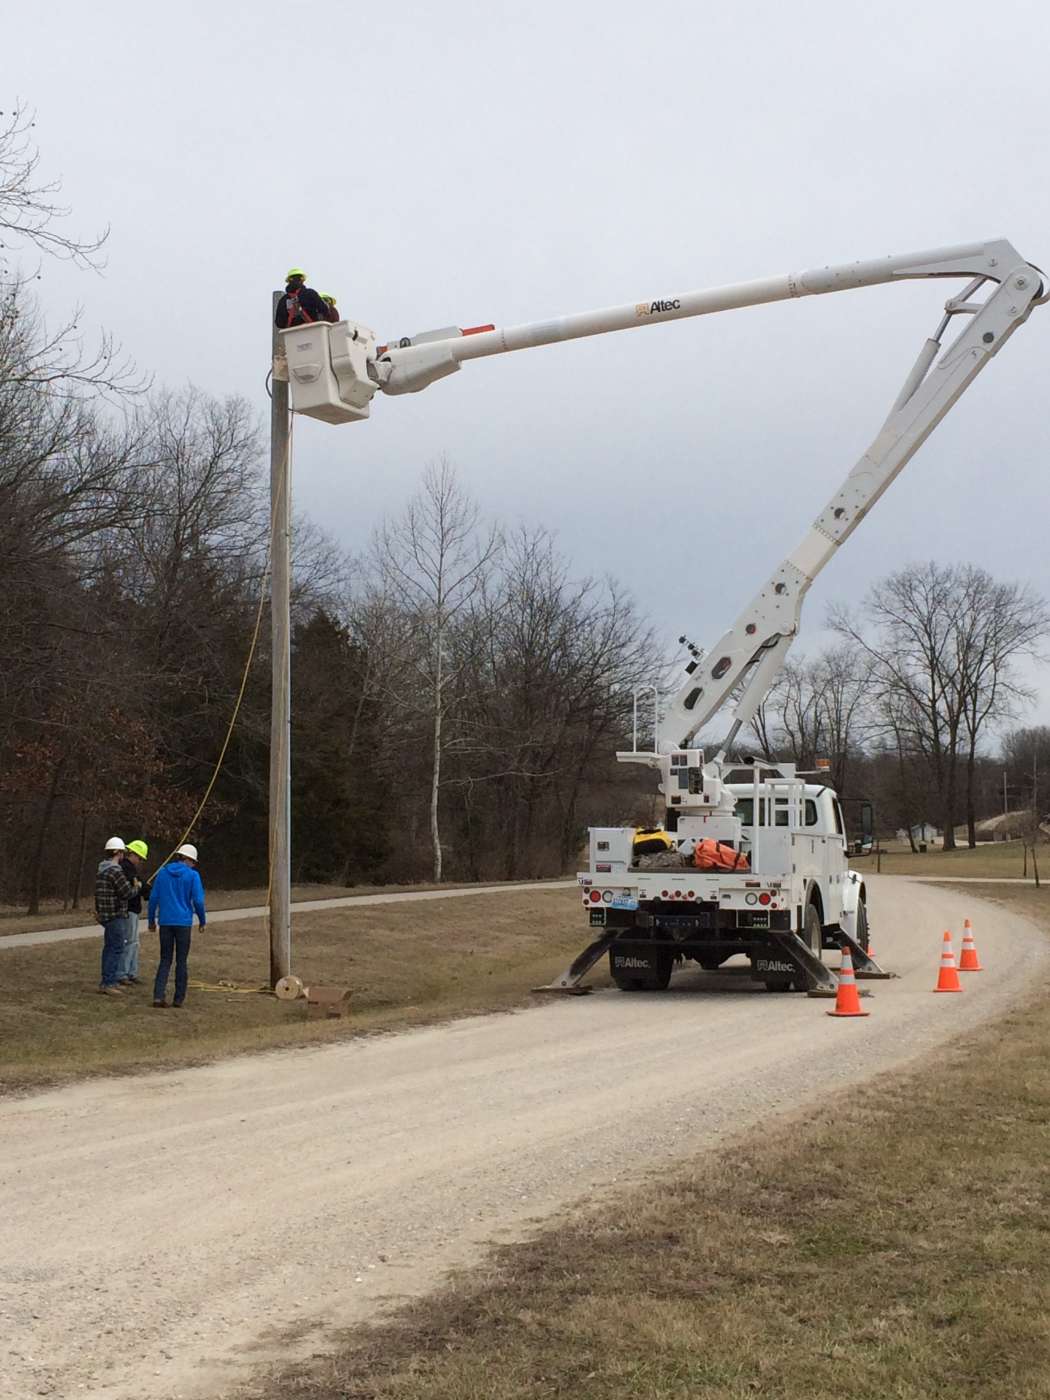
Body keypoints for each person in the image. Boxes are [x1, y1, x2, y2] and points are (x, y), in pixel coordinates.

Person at [148, 844, 206, 1009]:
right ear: (188, 859)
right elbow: (198, 901)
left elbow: (153, 898)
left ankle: (158, 995)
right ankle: (178, 998)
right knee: (181, 961)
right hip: (183, 923)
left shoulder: (162, 873)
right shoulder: (193, 875)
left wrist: (151, 921)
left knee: (165, 959)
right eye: (193, 862)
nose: (193, 865)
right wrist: (202, 920)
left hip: (165, 922)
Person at [94, 837, 135, 996]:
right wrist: (136, 886)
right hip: (116, 914)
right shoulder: (116, 871)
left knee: (109, 948)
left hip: (105, 914)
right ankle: (108, 983)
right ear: (118, 852)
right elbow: (127, 893)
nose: (123, 855)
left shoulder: (101, 870)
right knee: (116, 948)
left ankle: (109, 980)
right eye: (122, 852)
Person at [116, 840, 151, 986]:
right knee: (129, 942)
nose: (140, 861)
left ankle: (132, 972)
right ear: (134, 854)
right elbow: (135, 884)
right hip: (128, 910)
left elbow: (140, 884)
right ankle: (122, 974)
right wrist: (145, 888)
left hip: (134, 911)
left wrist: (146, 888)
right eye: (140, 858)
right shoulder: (125, 868)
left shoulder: (131, 869)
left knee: (135, 943)